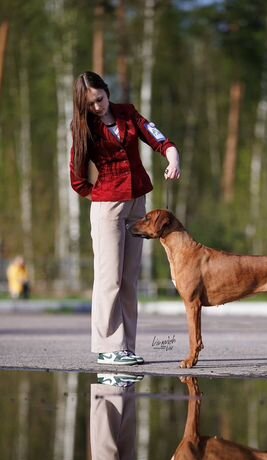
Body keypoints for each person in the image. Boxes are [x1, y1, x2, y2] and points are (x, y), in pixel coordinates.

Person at [70, 71, 180, 367]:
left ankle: (126, 347)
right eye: (90, 104)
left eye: (100, 99)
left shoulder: (127, 113)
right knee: (110, 279)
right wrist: (100, 195)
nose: (97, 107)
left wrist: (172, 155)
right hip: (108, 207)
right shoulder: (82, 128)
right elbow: (77, 178)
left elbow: (156, 138)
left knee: (130, 279)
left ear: (107, 91)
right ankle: (108, 347)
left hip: (137, 204)